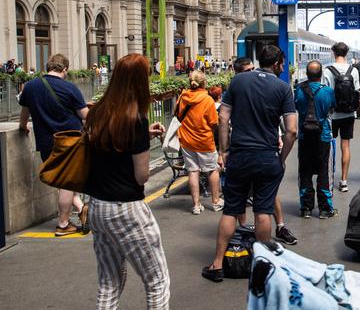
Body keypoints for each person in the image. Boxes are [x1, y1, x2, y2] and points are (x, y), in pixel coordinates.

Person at [203, 45, 298, 282]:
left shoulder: (238, 82)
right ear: (277, 64)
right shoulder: (283, 88)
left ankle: (216, 265)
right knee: (263, 211)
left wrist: (224, 150)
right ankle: (262, 267)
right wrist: (281, 158)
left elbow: (222, 118)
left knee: (231, 210)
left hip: (240, 156)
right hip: (267, 157)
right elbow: (291, 131)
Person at [83, 53, 170, 309]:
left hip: (97, 206)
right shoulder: (136, 120)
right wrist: (143, 138)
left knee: (109, 281)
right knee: (157, 281)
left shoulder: (97, 112)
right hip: (126, 208)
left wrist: (144, 137)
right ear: (139, 82)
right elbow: (141, 176)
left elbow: (112, 146)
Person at [228, 56, 297, 245]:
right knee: (243, 199)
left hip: (260, 150)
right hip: (246, 151)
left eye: (253, 69)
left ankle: (280, 226)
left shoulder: (262, 87)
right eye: (247, 71)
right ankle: (244, 231)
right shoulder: (238, 88)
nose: (252, 74)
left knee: (266, 196)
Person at [18, 54, 89, 236]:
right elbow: (85, 115)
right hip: (69, 141)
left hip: (45, 142)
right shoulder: (69, 88)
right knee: (66, 182)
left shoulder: (30, 87)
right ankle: (63, 224)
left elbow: (24, 113)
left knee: (61, 180)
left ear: (48, 66)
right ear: (64, 69)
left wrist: (23, 127)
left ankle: (82, 210)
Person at [295, 60, 337, 219]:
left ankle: (306, 207)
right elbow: (332, 108)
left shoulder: (299, 90)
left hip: (305, 136)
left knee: (305, 170)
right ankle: (325, 209)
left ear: (307, 73)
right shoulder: (327, 91)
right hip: (323, 136)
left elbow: (297, 107)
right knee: (324, 170)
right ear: (321, 75)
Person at [177, 70, 222, 214]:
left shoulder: (183, 96)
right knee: (213, 169)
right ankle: (215, 202)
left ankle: (196, 205)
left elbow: (177, 115)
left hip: (186, 140)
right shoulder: (207, 100)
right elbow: (214, 122)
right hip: (204, 140)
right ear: (204, 83)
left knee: (192, 171)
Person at [322, 42, 360, 193]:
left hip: (332, 114)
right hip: (348, 114)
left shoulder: (327, 70)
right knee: (345, 146)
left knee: (329, 146)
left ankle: (329, 179)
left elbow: (324, 93)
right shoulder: (353, 71)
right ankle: (344, 181)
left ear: (333, 52)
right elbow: (357, 91)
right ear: (346, 53)